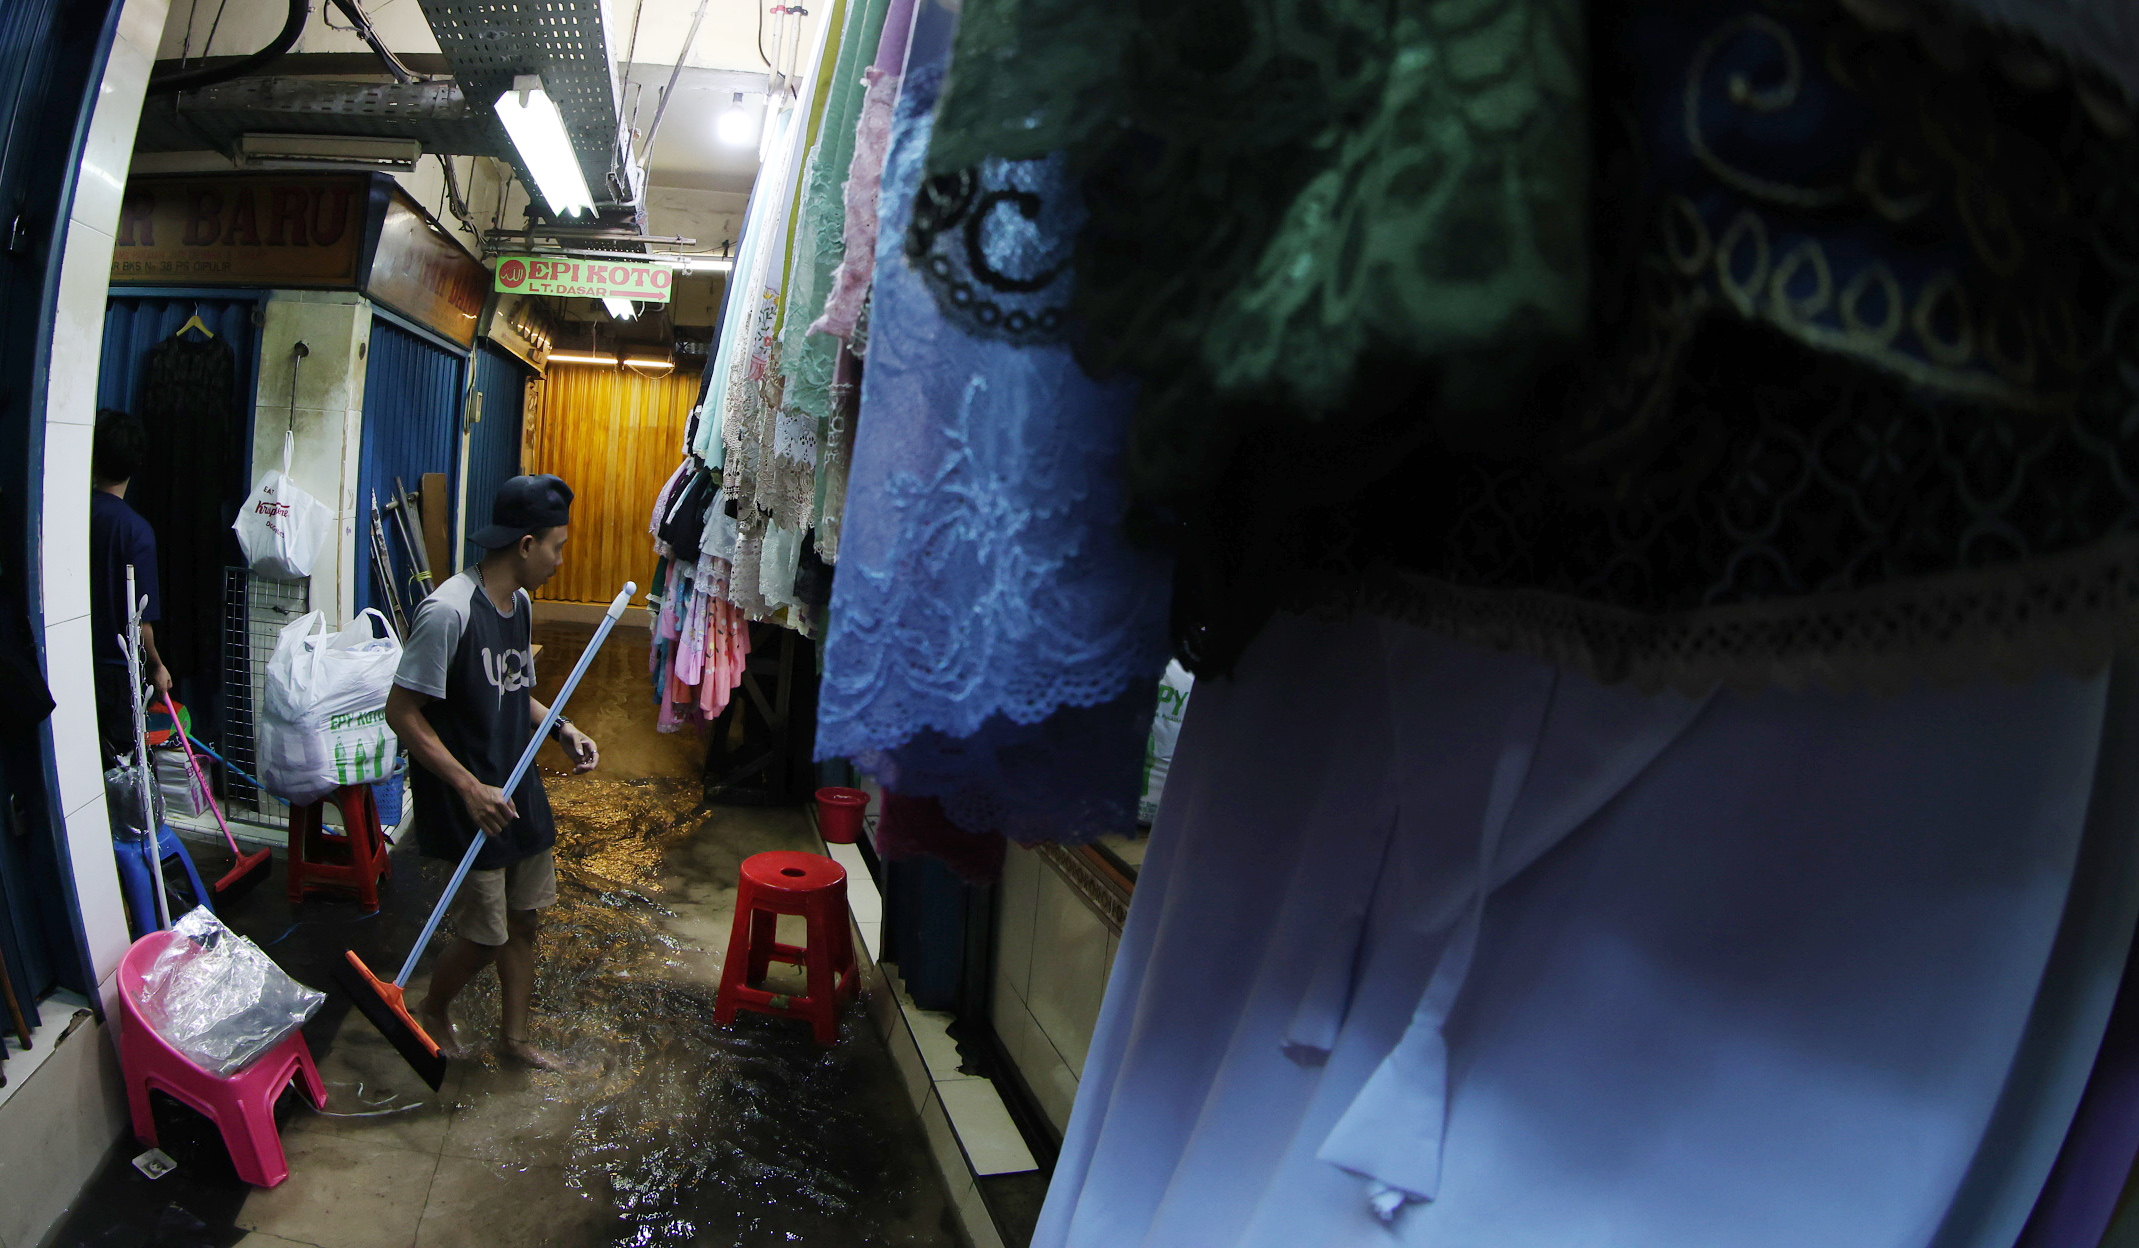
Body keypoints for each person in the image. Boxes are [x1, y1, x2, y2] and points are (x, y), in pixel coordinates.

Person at [384, 474, 600, 1068]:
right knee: (485, 935)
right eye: (556, 545)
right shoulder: (448, 612)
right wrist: (468, 787)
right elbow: (401, 711)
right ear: (526, 545)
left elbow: (515, 687)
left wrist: (562, 728)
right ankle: (432, 1007)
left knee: (524, 919)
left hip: (518, 786)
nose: (560, 558)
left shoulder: (520, 604)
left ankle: (515, 1039)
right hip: (470, 798)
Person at [90, 408, 169, 763]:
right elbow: (142, 623)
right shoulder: (137, 532)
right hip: (117, 672)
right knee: (126, 768)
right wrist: (156, 664)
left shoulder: (75, 514)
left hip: (73, 660)